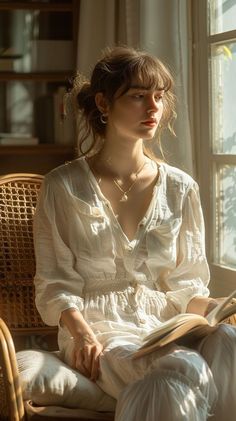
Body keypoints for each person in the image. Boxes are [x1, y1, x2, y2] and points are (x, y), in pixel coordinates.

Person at [34, 46, 236, 420]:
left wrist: (218, 310)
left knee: (229, 341)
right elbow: (54, 282)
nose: (153, 108)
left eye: (159, 97)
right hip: (100, 331)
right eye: (138, 96)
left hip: (167, 328)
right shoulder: (62, 186)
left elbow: (187, 287)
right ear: (103, 103)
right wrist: (81, 334)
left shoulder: (180, 187)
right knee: (183, 368)